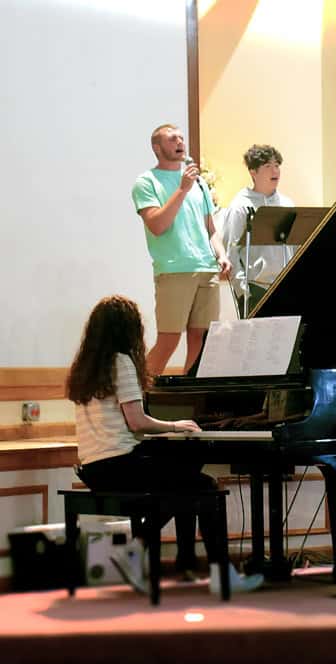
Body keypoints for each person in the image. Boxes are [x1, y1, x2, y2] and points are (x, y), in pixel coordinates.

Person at [66, 295, 262, 595]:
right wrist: (175, 425)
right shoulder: (121, 362)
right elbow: (137, 422)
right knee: (204, 486)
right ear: (127, 329)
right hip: (120, 465)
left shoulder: (86, 368)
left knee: (188, 479)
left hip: (95, 468)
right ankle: (222, 576)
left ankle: (151, 554)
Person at [131, 124, 231, 376]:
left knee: (202, 340)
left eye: (181, 138)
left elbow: (211, 229)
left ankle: (190, 399)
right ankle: (138, 397)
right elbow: (157, 225)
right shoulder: (146, 182)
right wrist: (182, 189)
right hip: (175, 270)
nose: (179, 141)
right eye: (172, 138)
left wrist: (222, 254)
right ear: (157, 147)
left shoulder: (199, 184)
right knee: (169, 340)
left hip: (206, 268)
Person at [220, 144, 295, 314]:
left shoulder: (287, 204)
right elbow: (231, 251)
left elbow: (296, 247)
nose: (274, 171)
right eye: (268, 166)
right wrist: (243, 291)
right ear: (253, 172)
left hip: (287, 287)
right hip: (256, 289)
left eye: (277, 166)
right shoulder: (240, 206)